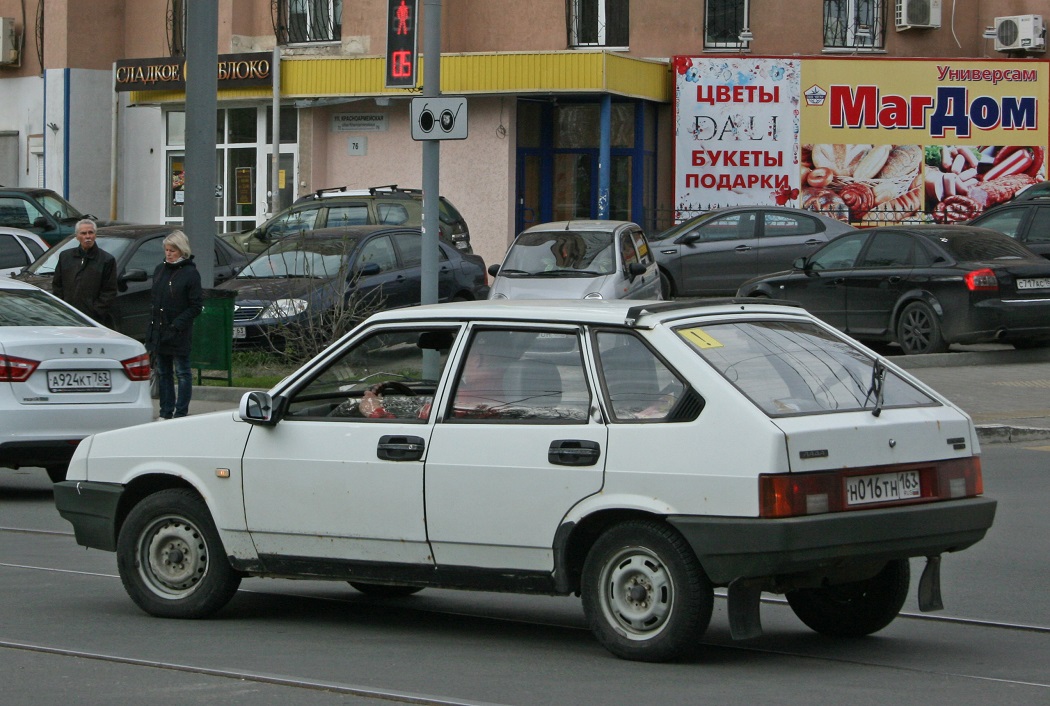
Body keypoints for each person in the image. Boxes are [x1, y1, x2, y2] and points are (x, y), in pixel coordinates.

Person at [147, 231, 203, 419]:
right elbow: (155, 301)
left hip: (179, 332)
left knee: (182, 372)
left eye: (173, 250)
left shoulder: (190, 273)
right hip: (160, 330)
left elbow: (196, 306)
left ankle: (181, 412)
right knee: (163, 372)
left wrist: (178, 324)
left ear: (182, 250)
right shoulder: (160, 270)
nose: (169, 254)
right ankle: (165, 411)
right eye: (167, 250)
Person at [51, 218, 118, 326]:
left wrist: (96, 311)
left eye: (90, 232)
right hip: (67, 317)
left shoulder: (106, 260)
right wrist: (62, 308)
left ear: (95, 235)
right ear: (77, 236)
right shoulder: (65, 257)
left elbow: (109, 291)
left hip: (92, 319)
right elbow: (57, 285)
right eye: (83, 233)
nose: (87, 236)